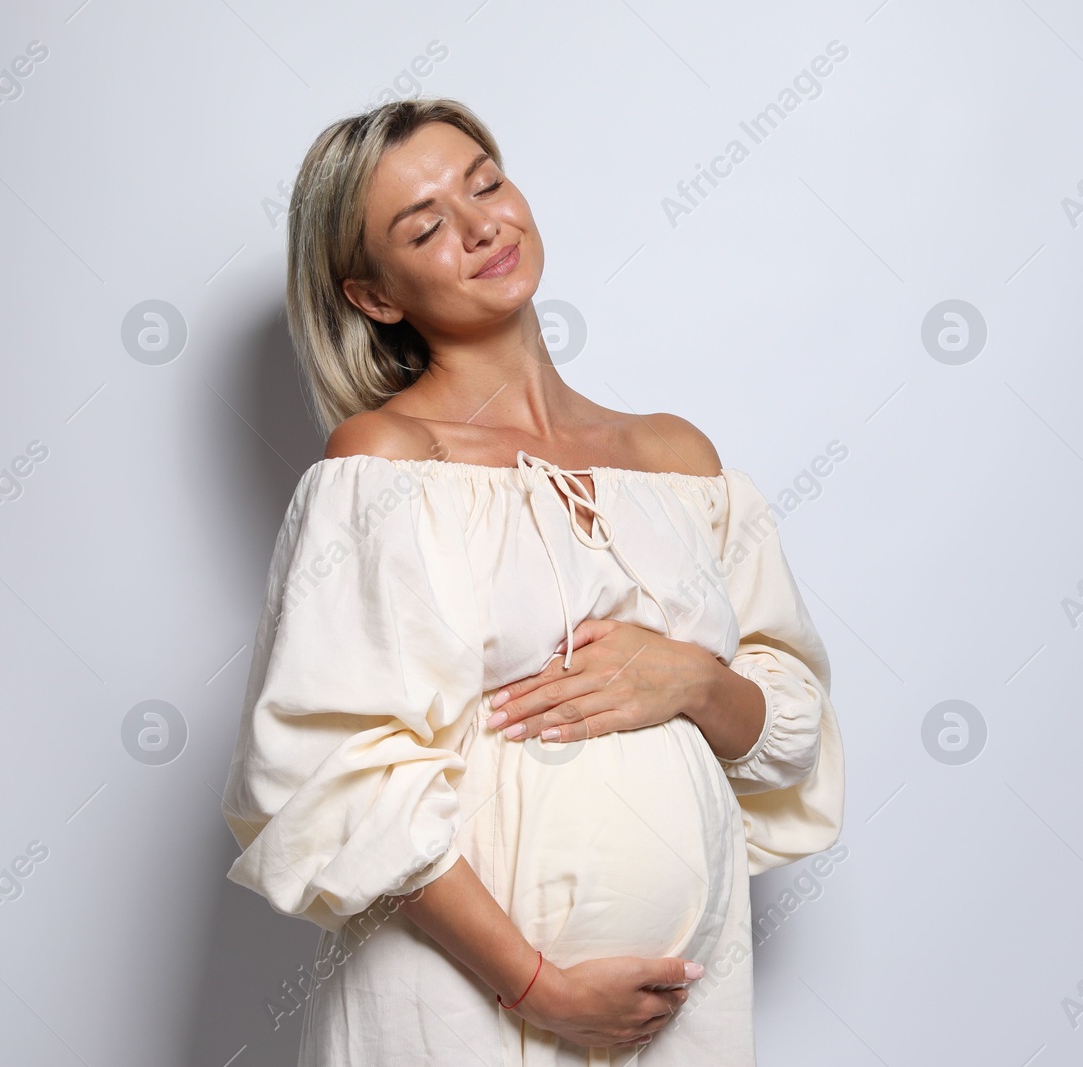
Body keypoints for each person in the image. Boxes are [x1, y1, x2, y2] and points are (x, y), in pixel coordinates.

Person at [219, 97, 845, 1065]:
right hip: (460, 999)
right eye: (425, 226)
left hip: (679, 1006)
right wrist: (541, 986)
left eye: (486, 183)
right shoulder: (386, 462)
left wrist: (693, 680)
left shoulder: (678, 460)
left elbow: (792, 725)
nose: (479, 228)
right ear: (375, 296)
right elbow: (335, 772)